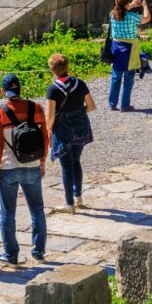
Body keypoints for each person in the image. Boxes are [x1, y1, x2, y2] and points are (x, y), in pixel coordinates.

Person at [0, 75, 49, 265]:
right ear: (21, 88)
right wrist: (42, 162)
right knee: (37, 209)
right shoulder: (37, 108)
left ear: (3, 92)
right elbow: (45, 139)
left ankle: (11, 255)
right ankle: (39, 251)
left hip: (8, 167)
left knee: (8, 212)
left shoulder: (1, 113)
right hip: (32, 165)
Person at [44, 53, 96, 210]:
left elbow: (50, 117)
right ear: (67, 67)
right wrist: (78, 113)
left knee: (66, 166)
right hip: (81, 127)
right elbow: (91, 106)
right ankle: (78, 197)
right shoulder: (80, 84)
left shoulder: (53, 90)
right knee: (76, 162)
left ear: (52, 70)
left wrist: (48, 131)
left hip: (63, 130)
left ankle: (69, 204)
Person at [106, 0, 144, 111]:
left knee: (115, 77)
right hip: (129, 49)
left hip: (116, 48)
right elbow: (146, 18)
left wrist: (131, 4)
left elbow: (120, 10)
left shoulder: (112, 14)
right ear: (126, 4)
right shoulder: (132, 17)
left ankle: (112, 104)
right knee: (128, 78)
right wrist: (145, 5)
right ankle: (125, 105)